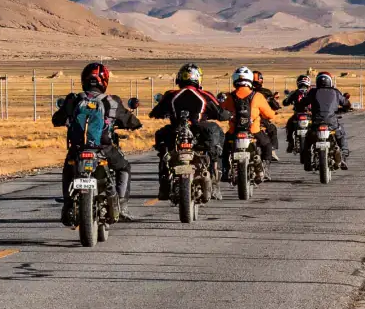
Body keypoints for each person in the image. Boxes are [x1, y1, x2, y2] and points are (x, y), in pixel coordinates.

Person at [49, 61, 141, 217]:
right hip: (103, 149)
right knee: (124, 168)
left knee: (68, 170)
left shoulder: (74, 99)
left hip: (78, 149)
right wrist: (135, 124)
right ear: (104, 80)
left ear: (84, 79)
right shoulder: (111, 101)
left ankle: (67, 203)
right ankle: (122, 204)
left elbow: (56, 119)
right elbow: (130, 120)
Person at [148, 64, 227, 197]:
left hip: (176, 131)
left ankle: (164, 186)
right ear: (198, 78)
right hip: (199, 131)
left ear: (180, 78)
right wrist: (225, 115)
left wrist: (164, 114)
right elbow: (221, 113)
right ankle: (214, 182)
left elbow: (155, 112)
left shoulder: (171, 95)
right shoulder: (204, 95)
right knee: (216, 144)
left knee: (163, 149)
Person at [221, 66, 280, 172]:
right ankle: (264, 168)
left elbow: (221, 111)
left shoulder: (229, 96)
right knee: (267, 144)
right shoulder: (257, 96)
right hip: (253, 130)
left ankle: (225, 169)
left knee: (225, 147)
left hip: (234, 131)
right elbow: (270, 115)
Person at [300, 69, 352, 160]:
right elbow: (346, 103)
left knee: (308, 136)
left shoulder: (313, 92)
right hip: (331, 122)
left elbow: (303, 102)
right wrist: (346, 108)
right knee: (341, 134)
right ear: (330, 81)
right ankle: (344, 153)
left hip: (316, 122)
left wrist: (302, 107)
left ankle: (306, 157)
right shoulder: (335, 92)